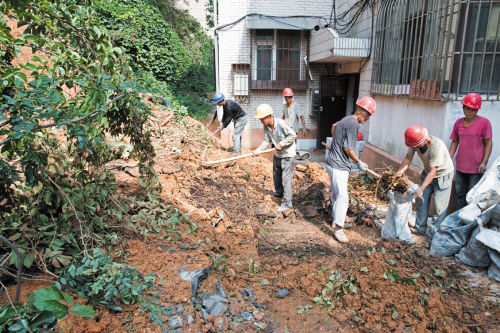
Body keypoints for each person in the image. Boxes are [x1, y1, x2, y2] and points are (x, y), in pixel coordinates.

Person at [325, 96, 376, 243]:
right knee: (343, 196)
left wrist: (336, 143)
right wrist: (359, 162)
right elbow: (348, 148)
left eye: (370, 115)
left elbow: (334, 126)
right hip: (338, 165)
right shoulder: (353, 123)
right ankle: (338, 228)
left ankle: (337, 220)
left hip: (332, 162)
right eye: (367, 114)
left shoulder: (346, 119)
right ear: (360, 110)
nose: (368, 118)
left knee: (336, 194)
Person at [397, 125, 454, 248]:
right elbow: (408, 158)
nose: (414, 148)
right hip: (427, 173)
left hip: (443, 175)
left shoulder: (436, 146)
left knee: (439, 208)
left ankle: (434, 235)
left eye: (415, 146)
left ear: (423, 141)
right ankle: (419, 228)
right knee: (421, 201)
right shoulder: (414, 142)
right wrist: (398, 174)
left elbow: (434, 171)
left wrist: (421, 188)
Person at [449, 93, 493, 210]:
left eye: (473, 109)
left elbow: (489, 143)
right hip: (460, 165)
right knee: (460, 194)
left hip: (476, 166)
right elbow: (454, 142)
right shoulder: (458, 123)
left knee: (473, 196)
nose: (470, 112)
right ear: (463, 108)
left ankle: (470, 221)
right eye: (467, 108)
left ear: (477, 110)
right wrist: (448, 159)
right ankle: (458, 218)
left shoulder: (484, 123)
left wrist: (484, 162)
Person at [252, 104, 297, 212]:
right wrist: (258, 150)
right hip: (278, 155)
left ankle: (287, 203)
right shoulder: (266, 126)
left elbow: (293, 135)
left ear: (268, 117)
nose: (261, 121)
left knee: (286, 180)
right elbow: (267, 140)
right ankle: (278, 194)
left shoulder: (281, 124)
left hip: (288, 155)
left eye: (262, 119)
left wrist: (282, 143)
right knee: (276, 177)